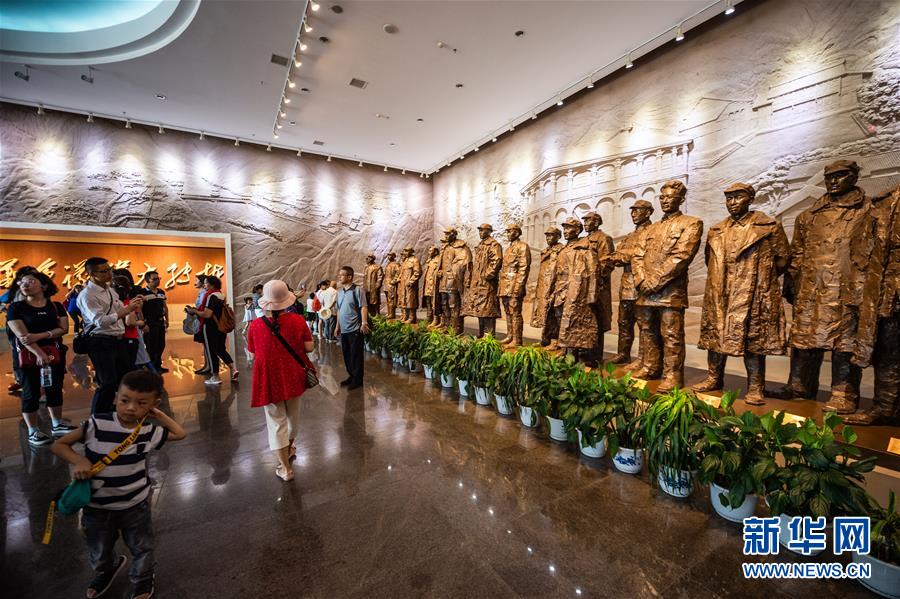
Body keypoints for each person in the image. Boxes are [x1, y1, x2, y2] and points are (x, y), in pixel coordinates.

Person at [52, 370, 187, 599]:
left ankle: (143, 579)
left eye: (141, 403)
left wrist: (158, 414)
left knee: (142, 547)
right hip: (97, 506)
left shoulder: (148, 431)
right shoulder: (96, 424)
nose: (131, 408)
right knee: (99, 549)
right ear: (115, 397)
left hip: (135, 505)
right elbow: (59, 445)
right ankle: (107, 569)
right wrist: (80, 460)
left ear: (154, 404)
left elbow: (180, 433)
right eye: (125, 400)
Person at [247, 280, 315, 482]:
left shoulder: (255, 325)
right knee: (293, 417)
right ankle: (290, 447)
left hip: (268, 378)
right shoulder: (298, 321)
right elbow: (309, 348)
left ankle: (285, 469)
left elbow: (252, 355)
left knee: (276, 422)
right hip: (293, 374)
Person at [6, 271, 78, 445]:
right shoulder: (16, 308)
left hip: (54, 354)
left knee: (54, 388)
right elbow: (23, 336)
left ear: (44, 286)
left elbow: (63, 329)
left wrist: (40, 335)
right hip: (27, 356)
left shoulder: (56, 306)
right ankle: (33, 431)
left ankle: (57, 424)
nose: (24, 284)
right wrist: (40, 353)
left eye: (30, 281)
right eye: (22, 282)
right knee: (31, 393)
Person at [77, 257, 143, 414]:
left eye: (110, 270)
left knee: (124, 377)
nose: (110, 274)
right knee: (107, 381)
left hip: (118, 340)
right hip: (100, 341)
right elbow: (100, 321)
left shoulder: (109, 290)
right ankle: (98, 415)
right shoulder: (88, 295)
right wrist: (126, 310)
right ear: (92, 274)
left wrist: (132, 305)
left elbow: (120, 309)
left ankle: (113, 408)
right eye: (105, 271)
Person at [186, 275, 237, 385]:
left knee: (211, 351)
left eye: (206, 283)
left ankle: (215, 376)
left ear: (212, 284)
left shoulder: (211, 296)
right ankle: (233, 369)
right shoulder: (221, 295)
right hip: (220, 326)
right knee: (220, 349)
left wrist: (194, 311)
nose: (204, 285)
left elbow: (207, 314)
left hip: (210, 327)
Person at [3, 265, 38, 393]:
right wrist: (9, 313)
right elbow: (1, 302)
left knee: (36, 351)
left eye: (35, 276)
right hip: (16, 326)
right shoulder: (16, 290)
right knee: (18, 352)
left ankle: (37, 383)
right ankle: (21, 380)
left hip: (34, 326)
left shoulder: (40, 289)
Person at [334, 266, 370, 390]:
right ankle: (352, 375)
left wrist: (364, 323)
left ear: (349, 277)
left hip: (355, 328)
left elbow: (363, 307)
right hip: (344, 329)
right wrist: (337, 326)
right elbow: (339, 310)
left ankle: (358, 380)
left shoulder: (357, 290)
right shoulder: (339, 292)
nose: (339, 277)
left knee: (356, 355)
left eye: (342, 275)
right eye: (339, 275)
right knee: (347, 354)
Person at [139, 271, 168, 373]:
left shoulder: (161, 292)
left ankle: (158, 365)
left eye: (158, 278)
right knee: (151, 346)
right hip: (149, 323)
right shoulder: (143, 292)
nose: (157, 281)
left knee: (161, 345)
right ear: (147, 280)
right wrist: (143, 323)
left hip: (160, 322)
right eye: (154, 279)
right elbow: (139, 309)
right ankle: (151, 368)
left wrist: (167, 320)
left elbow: (165, 307)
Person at [192, 275, 210, 374]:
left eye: (197, 280)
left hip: (203, 320)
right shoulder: (201, 292)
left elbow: (202, 308)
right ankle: (207, 365)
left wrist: (194, 311)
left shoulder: (204, 293)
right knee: (205, 345)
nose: (195, 282)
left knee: (206, 345)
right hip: (200, 318)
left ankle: (208, 366)